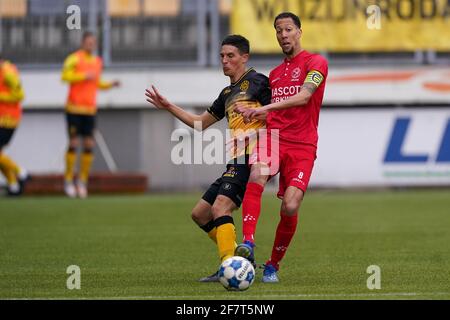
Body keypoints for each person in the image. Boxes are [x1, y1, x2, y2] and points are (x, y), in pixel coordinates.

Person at [145, 35, 271, 282]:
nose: (224, 61)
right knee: (200, 214)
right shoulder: (227, 93)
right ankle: (239, 259)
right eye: (222, 56)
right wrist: (169, 106)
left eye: (230, 56)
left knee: (220, 206)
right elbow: (201, 123)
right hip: (235, 161)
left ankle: (229, 266)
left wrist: (253, 132)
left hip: (252, 158)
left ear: (244, 58)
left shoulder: (258, 82)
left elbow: (279, 117)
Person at [235, 12, 328, 283]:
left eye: (288, 29)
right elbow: (276, 115)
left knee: (289, 206)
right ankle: (248, 243)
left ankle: (273, 264)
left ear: (299, 31)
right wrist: (254, 115)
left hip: (303, 145)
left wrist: (264, 107)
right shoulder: (275, 75)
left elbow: (304, 97)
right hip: (274, 138)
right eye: (278, 31)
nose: (283, 35)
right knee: (257, 174)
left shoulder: (316, 62)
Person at [61, 31, 120, 199]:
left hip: (89, 110)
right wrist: (82, 75)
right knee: (73, 143)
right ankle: (68, 180)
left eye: (93, 43)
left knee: (88, 144)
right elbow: (64, 76)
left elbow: (97, 83)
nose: (91, 45)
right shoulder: (74, 58)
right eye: (88, 42)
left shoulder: (97, 62)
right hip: (74, 108)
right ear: (82, 43)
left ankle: (82, 181)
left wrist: (110, 85)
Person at [0, 55, 29, 196]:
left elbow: (20, 95)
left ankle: (21, 172)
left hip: (8, 120)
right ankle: (13, 186)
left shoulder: (8, 72)